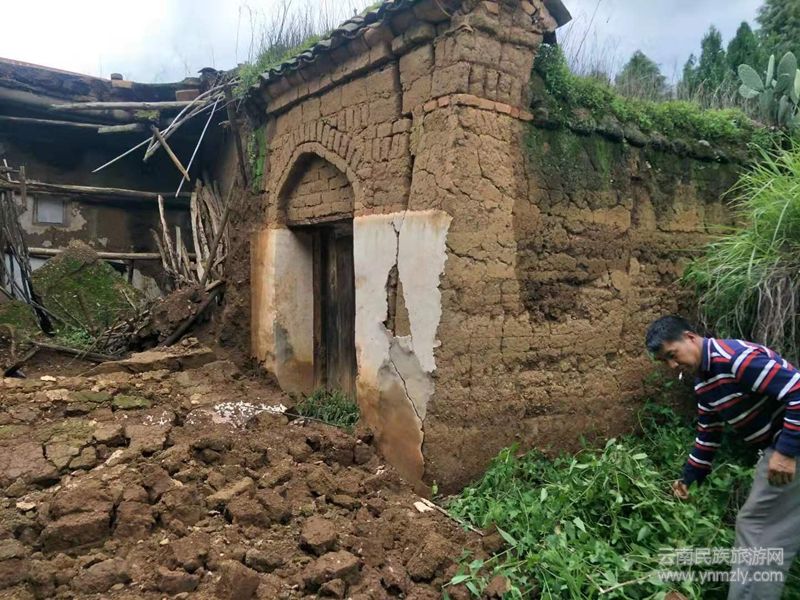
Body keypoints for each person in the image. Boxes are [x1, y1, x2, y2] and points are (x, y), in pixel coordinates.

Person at [646, 315, 800, 600]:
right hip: (780, 446)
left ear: (690, 337)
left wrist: (786, 452)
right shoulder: (704, 383)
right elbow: (708, 433)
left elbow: (798, 390)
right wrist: (689, 477)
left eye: (672, 355)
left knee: (757, 527)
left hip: (790, 444)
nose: (672, 366)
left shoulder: (735, 359)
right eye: (664, 362)